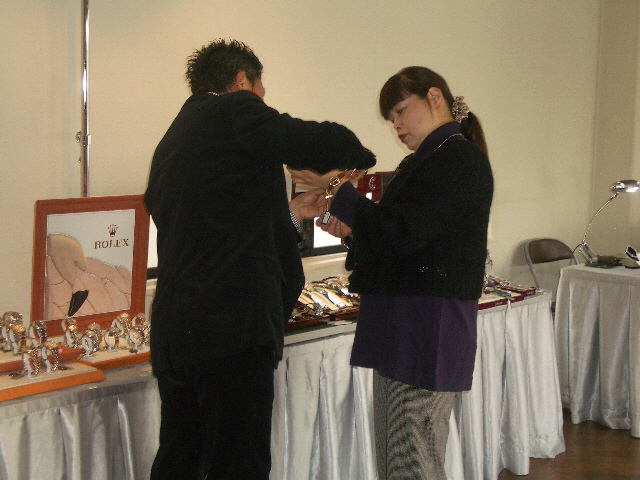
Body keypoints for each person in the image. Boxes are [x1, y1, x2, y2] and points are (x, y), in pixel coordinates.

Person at [143, 39, 375, 480]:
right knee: (239, 465)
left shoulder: (173, 141)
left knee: (180, 460)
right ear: (241, 81)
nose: (263, 106)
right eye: (261, 95)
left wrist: (294, 212)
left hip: (177, 332)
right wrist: (355, 162)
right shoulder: (233, 110)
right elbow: (314, 139)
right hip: (230, 328)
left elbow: (218, 228)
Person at [288, 66, 493, 479]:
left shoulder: (458, 158)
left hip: (428, 324)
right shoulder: (420, 163)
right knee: (395, 453)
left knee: (414, 456)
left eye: (400, 111)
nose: (396, 125)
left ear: (434, 98)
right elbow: (395, 239)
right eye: (390, 118)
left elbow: (403, 232)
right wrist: (352, 229)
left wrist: (339, 188)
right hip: (404, 321)